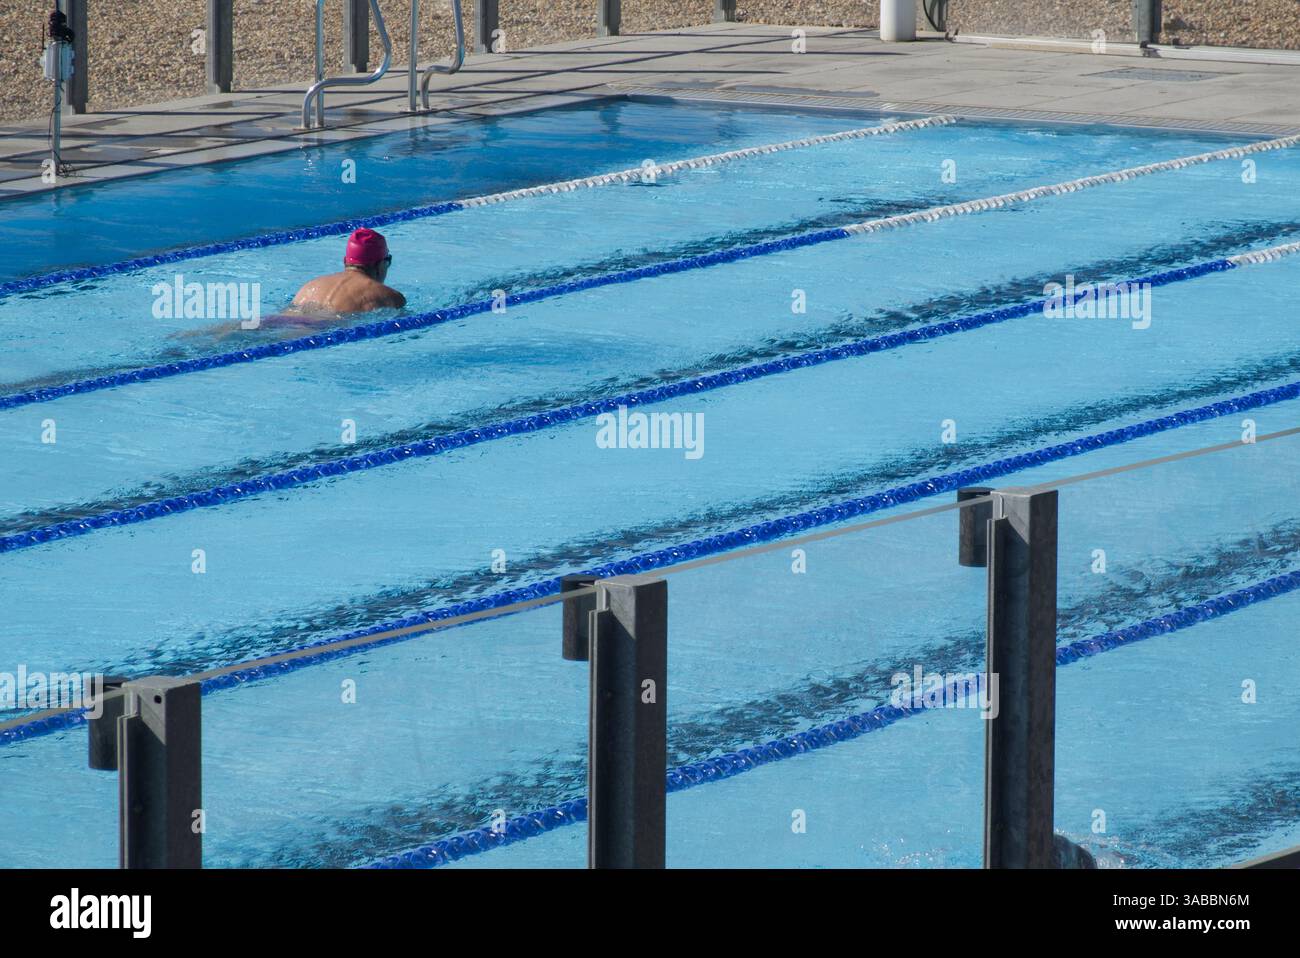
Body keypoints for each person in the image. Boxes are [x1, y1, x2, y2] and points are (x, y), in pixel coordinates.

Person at [291, 227, 406, 314]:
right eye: (388, 260)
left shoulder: (310, 286)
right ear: (380, 264)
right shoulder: (389, 296)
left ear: (345, 261)